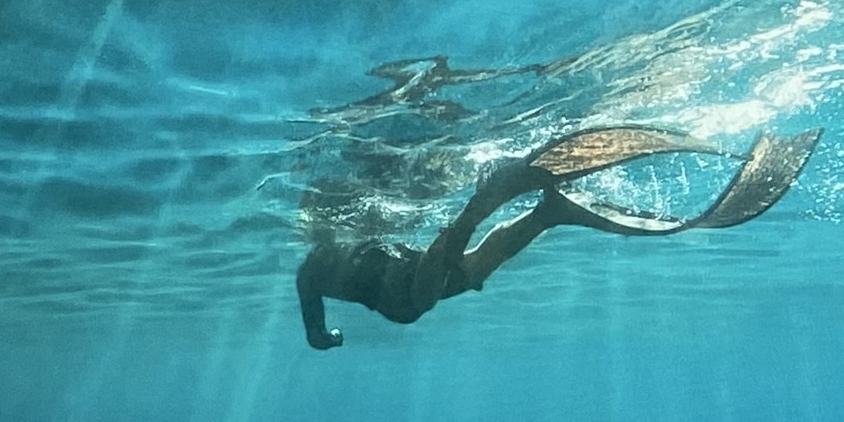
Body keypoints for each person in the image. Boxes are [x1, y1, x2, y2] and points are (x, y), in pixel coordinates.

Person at [296, 121, 816, 349]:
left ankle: (517, 208)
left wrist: (325, 337)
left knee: (442, 284)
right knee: (453, 276)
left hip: (410, 278)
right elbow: (318, 329)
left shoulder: (316, 270)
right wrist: (324, 336)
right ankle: (535, 210)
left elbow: (316, 328)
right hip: (410, 283)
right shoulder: (324, 269)